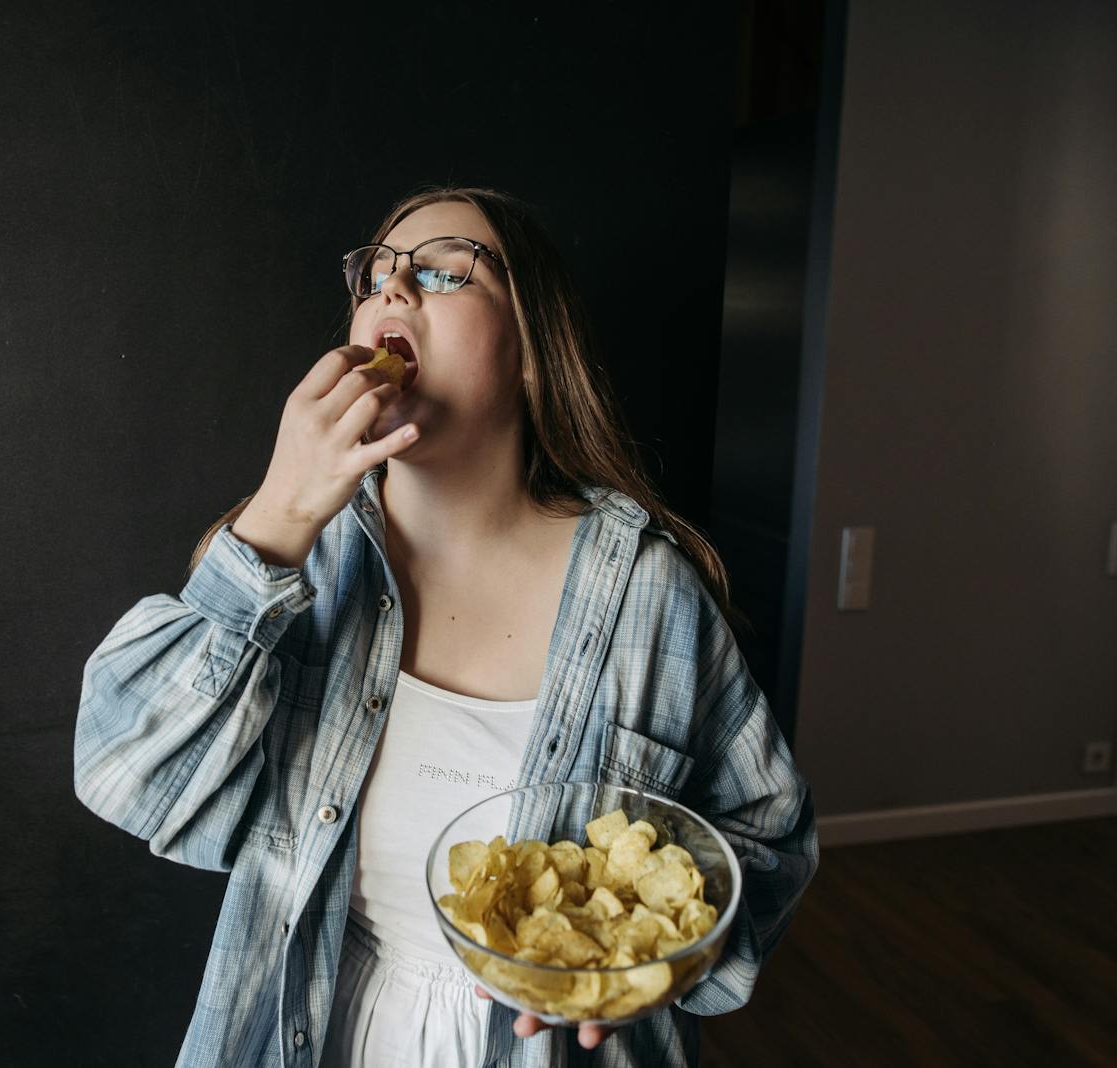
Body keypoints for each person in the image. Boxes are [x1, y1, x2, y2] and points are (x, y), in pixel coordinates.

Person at [74, 186, 818, 1067]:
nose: (393, 293)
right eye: (375, 276)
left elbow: (767, 837)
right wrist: (277, 512)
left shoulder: (649, 594)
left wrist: (646, 966)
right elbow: (122, 776)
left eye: (442, 271)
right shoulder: (292, 560)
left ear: (532, 350)